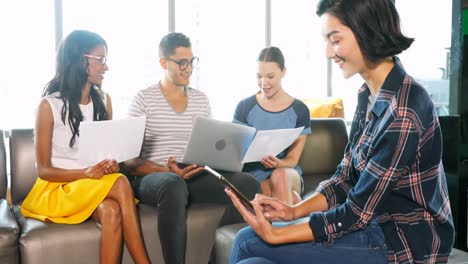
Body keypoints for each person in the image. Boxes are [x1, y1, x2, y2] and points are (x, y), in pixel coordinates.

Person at [226, 0, 455, 263]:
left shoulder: (403, 107)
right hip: (373, 225)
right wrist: (293, 211)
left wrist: (279, 235)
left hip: (401, 239)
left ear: (366, 31)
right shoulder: (368, 96)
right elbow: (345, 179)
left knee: (246, 243)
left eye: (334, 40)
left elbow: (357, 212)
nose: (327, 52)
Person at [121, 32, 260, 264]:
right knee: (173, 183)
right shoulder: (143, 99)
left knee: (248, 184)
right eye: (181, 62)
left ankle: (214, 259)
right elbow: (128, 161)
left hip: (192, 173)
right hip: (155, 178)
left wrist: (218, 159)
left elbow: (212, 145)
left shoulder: (201, 100)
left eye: (192, 61)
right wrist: (165, 170)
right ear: (164, 63)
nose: (189, 68)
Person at [20, 30, 150, 263]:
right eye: (100, 60)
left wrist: (110, 164)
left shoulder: (104, 100)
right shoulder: (49, 106)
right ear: (80, 61)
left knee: (111, 210)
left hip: (92, 184)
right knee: (120, 183)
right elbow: (44, 171)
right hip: (58, 187)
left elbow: (111, 155)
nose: (105, 67)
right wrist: (87, 173)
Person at [233, 46, 311, 206]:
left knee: (279, 176)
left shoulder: (300, 110)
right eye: (259, 76)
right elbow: (235, 151)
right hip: (254, 174)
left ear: (283, 72)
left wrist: (278, 164)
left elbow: (293, 159)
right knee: (269, 195)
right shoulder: (244, 107)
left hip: (287, 172)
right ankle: (292, 210)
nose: (264, 83)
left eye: (270, 76)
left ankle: (285, 221)